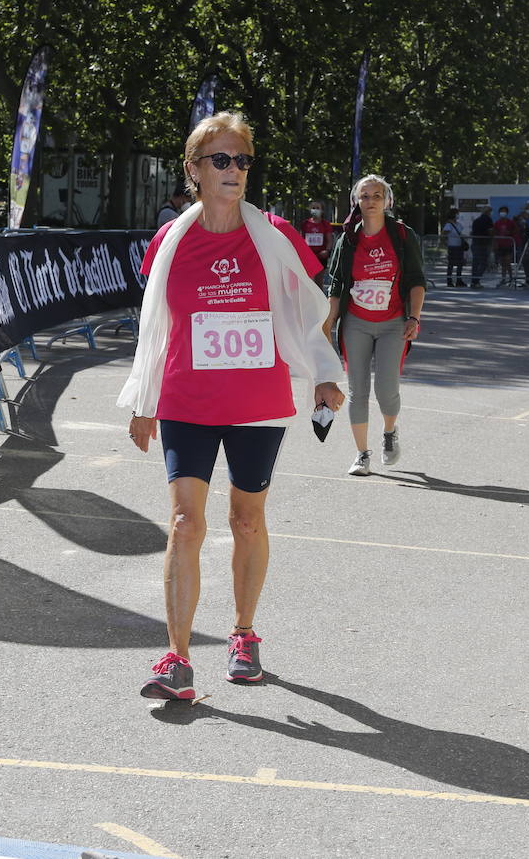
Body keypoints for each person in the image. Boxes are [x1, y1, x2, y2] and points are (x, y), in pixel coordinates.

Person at [120, 111, 344, 701]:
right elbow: (155, 327)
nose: (234, 170)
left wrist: (325, 374)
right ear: (193, 169)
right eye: (221, 159)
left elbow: (305, 312)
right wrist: (143, 400)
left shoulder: (273, 234)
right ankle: (176, 658)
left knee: (245, 519)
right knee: (183, 522)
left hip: (256, 401)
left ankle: (244, 636)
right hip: (187, 397)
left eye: (242, 160)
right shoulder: (170, 241)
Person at [322, 175, 427, 476]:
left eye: (377, 196)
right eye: (365, 196)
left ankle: (390, 433)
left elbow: (417, 281)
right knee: (357, 390)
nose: (370, 201)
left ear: (387, 201)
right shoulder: (348, 239)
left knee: (386, 388)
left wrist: (414, 317)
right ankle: (361, 454)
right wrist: (328, 324)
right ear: (357, 201)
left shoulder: (402, 235)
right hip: (356, 322)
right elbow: (338, 285)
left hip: (393, 322)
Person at [300, 200, 335, 264]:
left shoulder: (325, 224)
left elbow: (329, 240)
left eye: (318, 208)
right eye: (313, 208)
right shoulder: (305, 224)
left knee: (320, 273)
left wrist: (327, 251)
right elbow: (301, 239)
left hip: (321, 256)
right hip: (308, 255)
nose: (315, 210)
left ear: (322, 211)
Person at [491, 205, 518, 286]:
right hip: (500, 245)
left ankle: (510, 278)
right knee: (503, 263)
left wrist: (510, 233)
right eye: (501, 211)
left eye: (504, 211)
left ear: (507, 213)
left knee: (508, 262)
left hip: (508, 244)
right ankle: (503, 278)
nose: (503, 213)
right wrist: (495, 244)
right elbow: (494, 233)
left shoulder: (510, 222)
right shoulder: (497, 223)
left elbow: (516, 230)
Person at [468, 205, 493, 289]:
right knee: (483, 263)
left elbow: (472, 232)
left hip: (475, 243)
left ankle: (473, 281)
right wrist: (492, 241)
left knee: (475, 263)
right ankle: (476, 280)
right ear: (488, 212)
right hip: (483, 244)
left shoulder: (476, 220)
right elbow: (490, 231)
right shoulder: (488, 220)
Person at [442, 208, 467, 287]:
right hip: (452, 246)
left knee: (460, 264)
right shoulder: (449, 225)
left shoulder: (458, 224)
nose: (458, 215)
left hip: (459, 246)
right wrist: (445, 243)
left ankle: (459, 280)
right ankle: (449, 281)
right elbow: (444, 235)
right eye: (457, 213)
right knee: (451, 264)